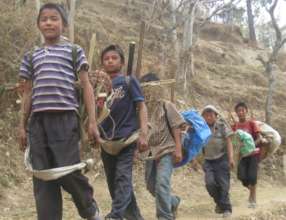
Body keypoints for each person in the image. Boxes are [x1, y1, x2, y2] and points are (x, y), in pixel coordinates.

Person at [18, 3, 101, 220]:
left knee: (67, 170)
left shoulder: (74, 51)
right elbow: (27, 93)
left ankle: (89, 209)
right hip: (37, 121)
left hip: (64, 119)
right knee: (42, 176)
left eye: (54, 18)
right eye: (44, 19)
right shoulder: (31, 55)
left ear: (63, 24)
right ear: (38, 25)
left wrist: (92, 122)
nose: (48, 22)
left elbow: (86, 86)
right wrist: (22, 126)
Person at [99, 44, 148, 220]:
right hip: (107, 142)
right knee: (115, 185)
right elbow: (93, 114)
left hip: (127, 139)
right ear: (102, 63)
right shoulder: (99, 87)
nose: (110, 61)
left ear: (122, 62)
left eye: (114, 58)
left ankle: (116, 215)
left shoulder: (129, 81)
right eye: (106, 58)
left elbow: (141, 106)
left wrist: (143, 133)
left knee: (122, 178)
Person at [140, 73, 185, 220]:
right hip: (149, 153)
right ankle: (173, 201)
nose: (148, 91)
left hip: (166, 149)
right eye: (145, 87)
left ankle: (165, 216)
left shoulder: (166, 105)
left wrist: (178, 148)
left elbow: (176, 126)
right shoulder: (140, 108)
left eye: (151, 87)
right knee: (151, 185)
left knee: (162, 183)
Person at [201, 105, 234, 218]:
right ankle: (220, 203)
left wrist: (230, 158)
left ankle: (226, 209)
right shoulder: (201, 127)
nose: (208, 117)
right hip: (208, 161)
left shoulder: (222, 125)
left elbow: (229, 141)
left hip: (222, 158)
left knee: (224, 185)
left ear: (216, 115)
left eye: (211, 115)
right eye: (206, 115)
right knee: (210, 184)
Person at [232, 102, 266, 208]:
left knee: (252, 176)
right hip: (242, 156)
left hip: (253, 153)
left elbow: (259, 138)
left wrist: (250, 146)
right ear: (236, 113)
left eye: (242, 110)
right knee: (241, 176)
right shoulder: (235, 126)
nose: (240, 112)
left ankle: (253, 199)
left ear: (246, 111)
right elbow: (232, 140)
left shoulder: (251, 123)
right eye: (238, 110)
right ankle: (252, 190)